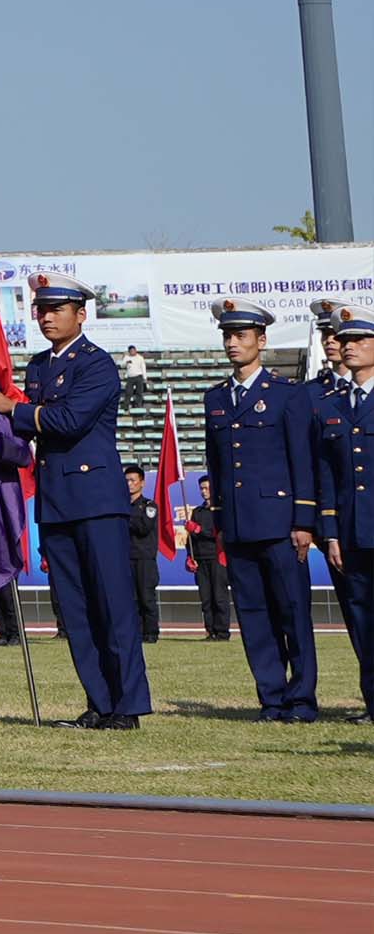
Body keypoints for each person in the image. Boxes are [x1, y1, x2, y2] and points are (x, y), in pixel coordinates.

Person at [0, 278, 148, 729]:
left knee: (113, 604)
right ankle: (99, 701)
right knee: (76, 610)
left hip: (96, 499)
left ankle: (128, 705)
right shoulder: (38, 365)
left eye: (57, 308)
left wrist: (11, 410)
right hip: (57, 500)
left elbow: (68, 420)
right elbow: (32, 427)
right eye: (41, 308)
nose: (46, 315)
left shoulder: (96, 364)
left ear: (80, 314)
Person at [198, 302, 324, 724]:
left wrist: (304, 521)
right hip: (236, 523)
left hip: (280, 523)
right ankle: (271, 698)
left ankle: (302, 699)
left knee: (292, 612)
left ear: (262, 341)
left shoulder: (287, 395)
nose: (233, 343)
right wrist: (217, 518)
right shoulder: (215, 398)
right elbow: (216, 464)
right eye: (227, 336)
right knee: (254, 616)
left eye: (242, 336)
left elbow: (302, 460)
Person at [316, 310, 374, 712]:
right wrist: (332, 532)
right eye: (345, 340)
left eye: (359, 340)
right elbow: (328, 476)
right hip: (352, 532)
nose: (348, 346)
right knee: (361, 620)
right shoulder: (334, 404)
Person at [182, 492, 235, 640]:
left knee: (219, 597)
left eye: (207, 488)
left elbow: (219, 533)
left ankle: (222, 632)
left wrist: (199, 530)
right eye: (201, 489)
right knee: (206, 598)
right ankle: (210, 631)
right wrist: (189, 556)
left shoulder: (221, 510)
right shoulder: (197, 511)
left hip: (217, 557)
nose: (204, 491)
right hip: (200, 558)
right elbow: (190, 538)